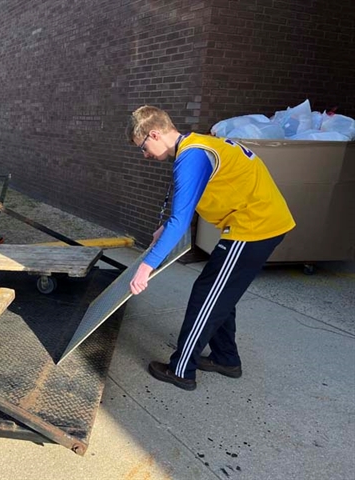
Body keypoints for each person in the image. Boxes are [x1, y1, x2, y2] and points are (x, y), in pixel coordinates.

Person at [126, 106, 295, 391]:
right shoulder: (196, 144)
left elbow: (181, 221)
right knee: (218, 293)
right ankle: (226, 359)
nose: (144, 155)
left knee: (207, 296)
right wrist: (164, 229)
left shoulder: (191, 156)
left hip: (254, 227)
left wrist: (146, 266)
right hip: (257, 223)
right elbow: (187, 205)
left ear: (154, 134)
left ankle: (181, 370)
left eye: (143, 147)